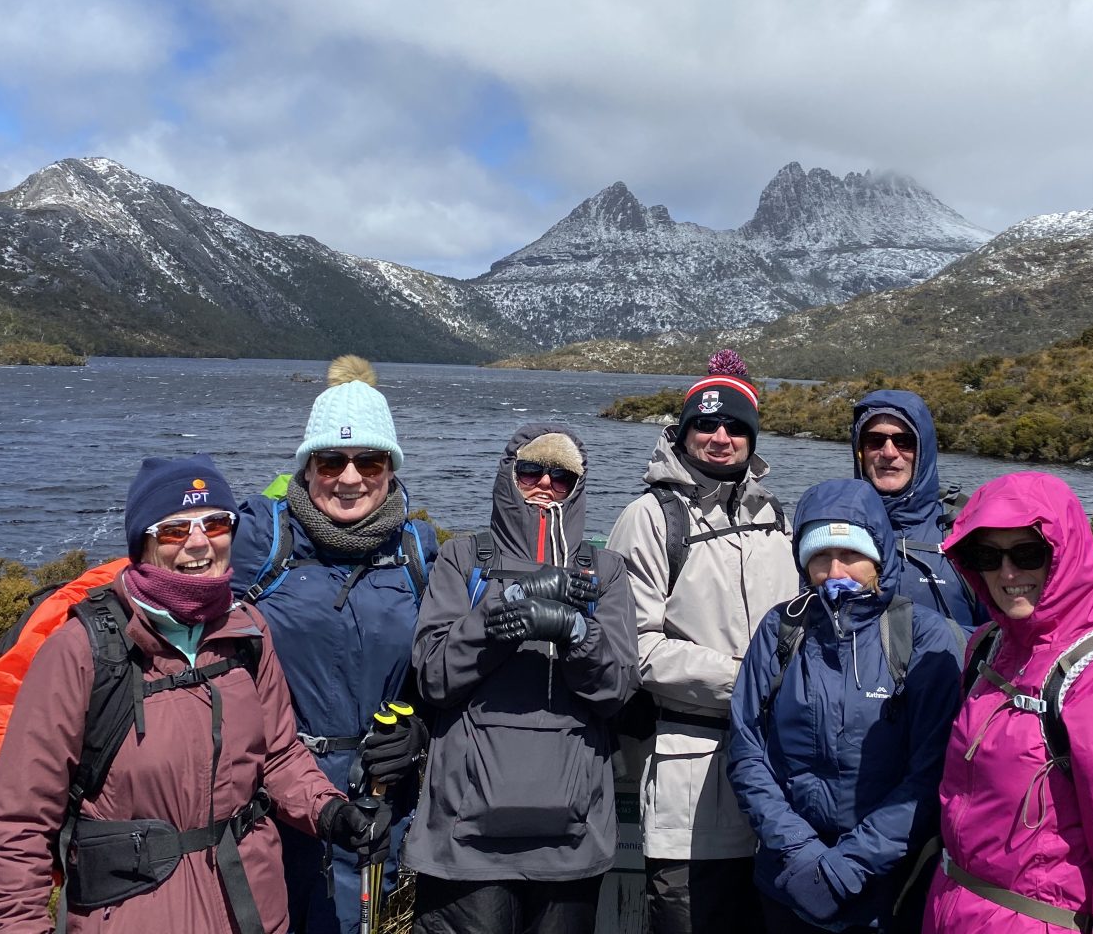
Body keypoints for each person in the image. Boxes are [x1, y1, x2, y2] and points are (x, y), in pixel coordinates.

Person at [0, 455, 390, 934]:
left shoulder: (248, 633)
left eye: (215, 523)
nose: (199, 542)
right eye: (175, 530)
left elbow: (277, 756)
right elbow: (18, 823)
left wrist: (330, 810)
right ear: (142, 542)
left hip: (254, 908)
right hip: (133, 913)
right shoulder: (82, 651)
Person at [228, 356, 439, 934]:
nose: (350, 478)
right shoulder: (259, 539)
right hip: (272, 792)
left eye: (369, 459)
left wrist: (417, 728)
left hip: (375, 792)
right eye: (332, 461)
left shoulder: (417, 551)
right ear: (308, 465)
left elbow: (437, 667)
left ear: (391, 468)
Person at [402, 423, 639, 934]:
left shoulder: (604, 571)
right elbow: (435, 679)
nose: (546, 484)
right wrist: (499, 615)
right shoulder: (465, 559)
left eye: (563, 476)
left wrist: (578, 634)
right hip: (464, 840)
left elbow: (617, 691)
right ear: (508, 475)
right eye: (532, 470)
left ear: (578, 486)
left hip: (571, 837)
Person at [923, 471, 1093, 933]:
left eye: (1028, 554)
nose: (1007, 573)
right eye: (988, 555)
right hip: (953, 910)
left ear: (1063, 556)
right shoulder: (989, 646)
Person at [606, 351, 798, 934]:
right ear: (682, 432)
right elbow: (634, 648)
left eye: (736, 427)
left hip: (779, 782)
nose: (720, 437)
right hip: (691, 785)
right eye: (706, 425)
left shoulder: (778, 517)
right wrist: (751, 679)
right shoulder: (647, 517)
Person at [727, 478, 961, 933]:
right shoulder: (781, 629)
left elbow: (931, 771)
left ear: (879, 556)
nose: (835, 571)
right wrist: (798, 850)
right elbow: (747, 749)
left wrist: (850, 865)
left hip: (887, 888)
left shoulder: (923, 636)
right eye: (819, 557)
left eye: (851, 555)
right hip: (788, 880)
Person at [851, 389, 985, 630]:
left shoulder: (968, 533)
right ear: (860, 451)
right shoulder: (834, 529)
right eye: (875, 441)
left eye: (904, 441)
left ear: (924, 449)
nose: (889, 453)